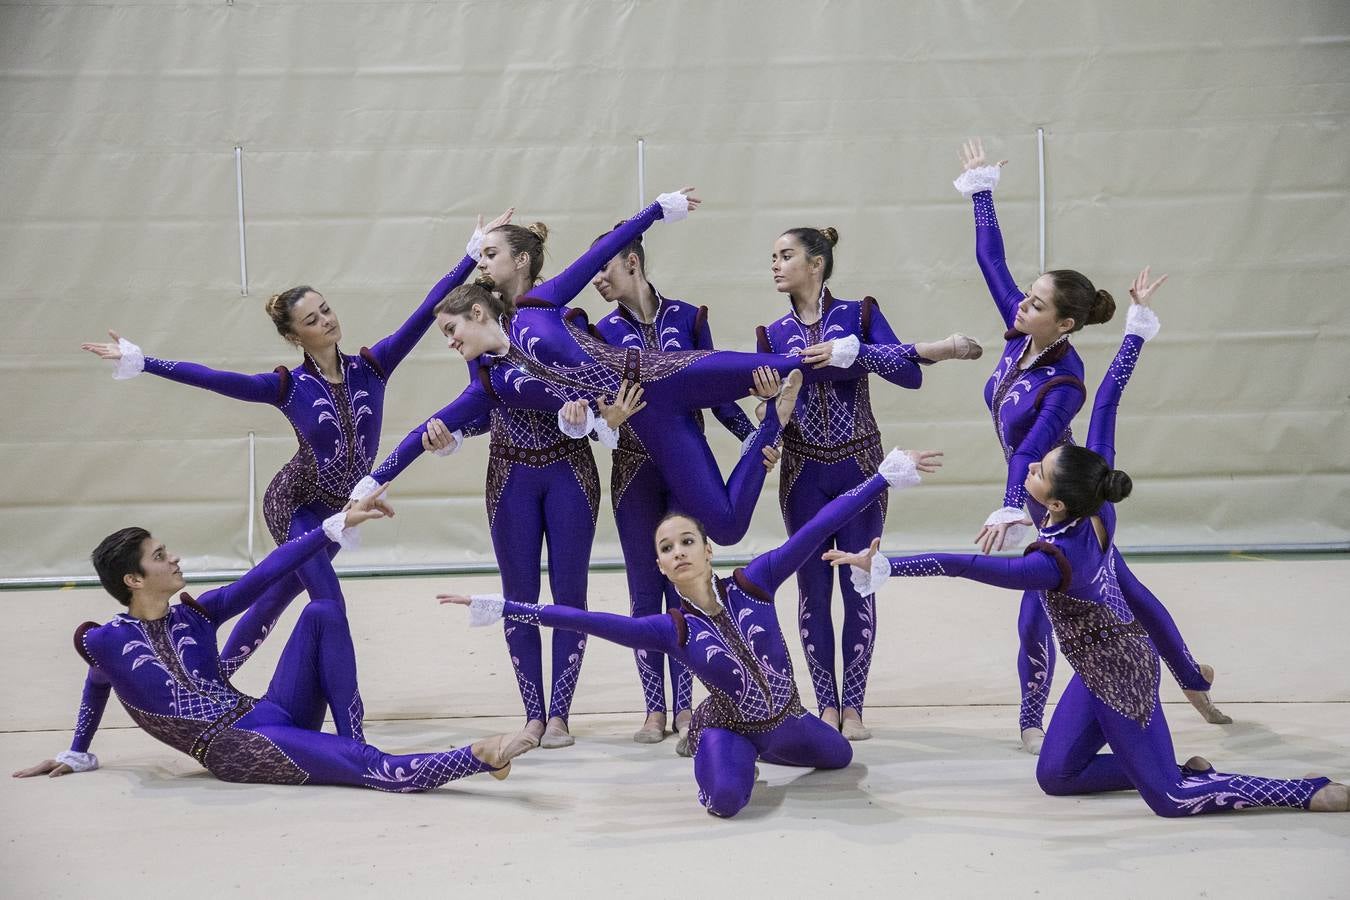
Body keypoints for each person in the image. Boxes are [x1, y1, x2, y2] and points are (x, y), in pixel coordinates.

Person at [826, 274, 1347, 816]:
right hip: (1094, 669)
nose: (1030, 467)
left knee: (1169, 801)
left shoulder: (1051, 562)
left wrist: (885, 564)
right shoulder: (1096, 505)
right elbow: (1107, 404)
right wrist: (1137, 328)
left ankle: (1301, 790)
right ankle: (1172, 766)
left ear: (1052, 504)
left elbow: (965, 566)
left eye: (1040, 472)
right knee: (1056, 775)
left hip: (1123, 671)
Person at [77, 210, 514, 733]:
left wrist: (469, 254)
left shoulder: (372, 366)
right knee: (327, 601)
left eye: (327, 310)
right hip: (294, 505)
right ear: (295, 335)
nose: (326, 321)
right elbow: (216, 380)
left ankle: (217, 676)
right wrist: (143, 361)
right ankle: (351, 730)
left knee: (279, 594)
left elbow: (425, 311)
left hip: (339, 509)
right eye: (312, 319)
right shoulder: (288, 387)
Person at [442, 447, 943, 817]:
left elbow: (816, 527)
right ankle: (710, 736)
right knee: (726, 802)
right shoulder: (671, 629)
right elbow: (586, 620)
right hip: (733, 724)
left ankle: (757, 746)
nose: (677, 551)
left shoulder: (756, 582)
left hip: (789, 717)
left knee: (842, 757)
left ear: (707, 550)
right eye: (666, 548)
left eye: (687, 541)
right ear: (659, 565)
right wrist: (505, 605)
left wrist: (883, 477)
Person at [953, 139, 1225, 754]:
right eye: (1028, 295)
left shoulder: (1067, 385)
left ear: (1065, 324)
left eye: (1037, 302)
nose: (1022, 303)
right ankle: (1191, 677)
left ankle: (1031, 720)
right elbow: (989, 263)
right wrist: (983, 191)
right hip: (1042, 490)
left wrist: (1012, 509)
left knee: (1039, 599)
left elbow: (1030, 453)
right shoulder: (1020, 330)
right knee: (1127, 589)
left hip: (1064, 496)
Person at [12, 487, 538, 790]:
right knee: (372, 770)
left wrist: (333, 525)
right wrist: (78, 751)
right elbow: (96, 683)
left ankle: (349, 737)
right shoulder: (104, 639)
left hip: (271, 710)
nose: (173, 559)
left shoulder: (195, 614)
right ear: (133, 580)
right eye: (159, 556)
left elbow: (265, 573)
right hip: (235, 746)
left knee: (323, 612)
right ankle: (481, 755)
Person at [754, 225, 982, 740]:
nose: (774, 265)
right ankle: (826, 704)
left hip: (860, 467)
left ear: (816, 263)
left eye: (785, 256)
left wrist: (852, 351)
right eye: (772, 257)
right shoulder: (770, 334)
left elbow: (910, 375)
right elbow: (770, 411)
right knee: (812, 589)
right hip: (803, 473)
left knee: (860, 580)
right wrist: (767, 404)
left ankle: (854, 705)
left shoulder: (858, 313)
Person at [587, 224, 757, 751]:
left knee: (688, 581)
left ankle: (687, 702)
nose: (597, 279)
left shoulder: (689, 318)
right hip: (635, 471)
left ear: (632, 263)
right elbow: (599, 410)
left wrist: (753, 438)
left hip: (686, 468)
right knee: (644, 585)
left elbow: (716, 394)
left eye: (605, 268)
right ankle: (653, 707)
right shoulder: (599, 332)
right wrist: (607, 422)